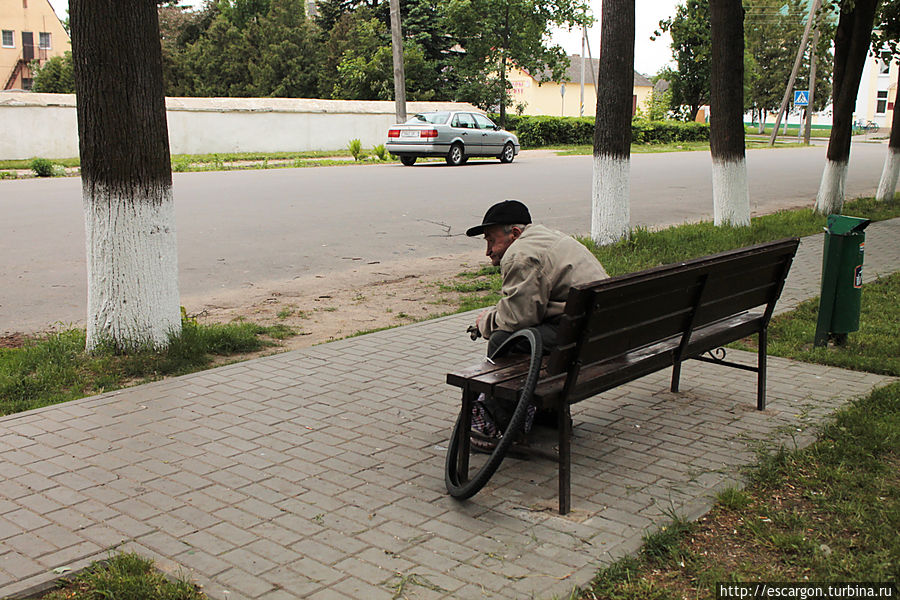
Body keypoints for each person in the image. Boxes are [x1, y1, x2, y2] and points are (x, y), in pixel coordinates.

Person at [465, 200, 609, 447]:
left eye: (491, 240)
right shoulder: (546, 237)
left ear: (515, 233)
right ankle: (548, 416)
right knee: (524, 340)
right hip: (603, 330)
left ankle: (503, 428)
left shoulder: (520, 255)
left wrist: (483, 323)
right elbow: (530, 308)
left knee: (504, 341)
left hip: (584, 334)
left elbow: (517, 319)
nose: (488, 251)